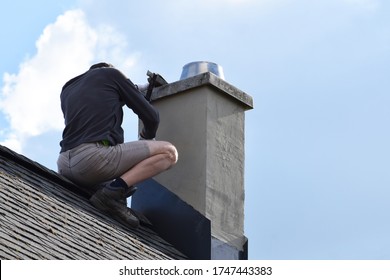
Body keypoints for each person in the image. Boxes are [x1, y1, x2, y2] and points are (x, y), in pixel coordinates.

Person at [57, 62, 178, 229]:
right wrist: (147, 138)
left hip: (64, 165)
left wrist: (133, 89)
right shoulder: (111, 74)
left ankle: (113, 194)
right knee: (169, 153)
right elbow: (151, 117)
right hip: (92, 161)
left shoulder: (69, 89)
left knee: (116, 184)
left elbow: (102, 100)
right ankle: (112, 195)